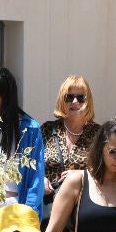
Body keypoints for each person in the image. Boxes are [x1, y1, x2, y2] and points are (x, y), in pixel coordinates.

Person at [0, 66, 47, 214]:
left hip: (14, 210)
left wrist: (29, 214)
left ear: (6, 97)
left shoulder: (29, 129)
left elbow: (35, 180)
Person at [41, 75, 99, 207]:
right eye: (69, 97)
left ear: (87, 101)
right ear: (62, 99)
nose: (74, 102)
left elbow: (108, 173)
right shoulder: (47, 130)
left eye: (80, 98)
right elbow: (31, 164)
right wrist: (40, 179)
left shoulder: (99, 134)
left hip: (83, 206)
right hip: (50, 205)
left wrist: (81, 175)